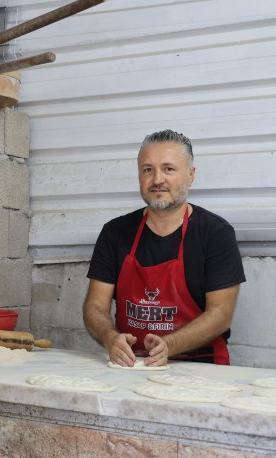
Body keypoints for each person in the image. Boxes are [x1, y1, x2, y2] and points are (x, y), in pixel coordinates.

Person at [83, 130, 245, 367]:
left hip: (202, 366)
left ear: (190, 176)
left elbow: (220, 315)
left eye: (168, 169)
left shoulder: (215, 234)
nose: (157, 179)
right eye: (148, 170)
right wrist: (110, 338)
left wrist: (170, 345)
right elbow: (95, 306)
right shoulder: (115, 232)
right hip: (134, 365)